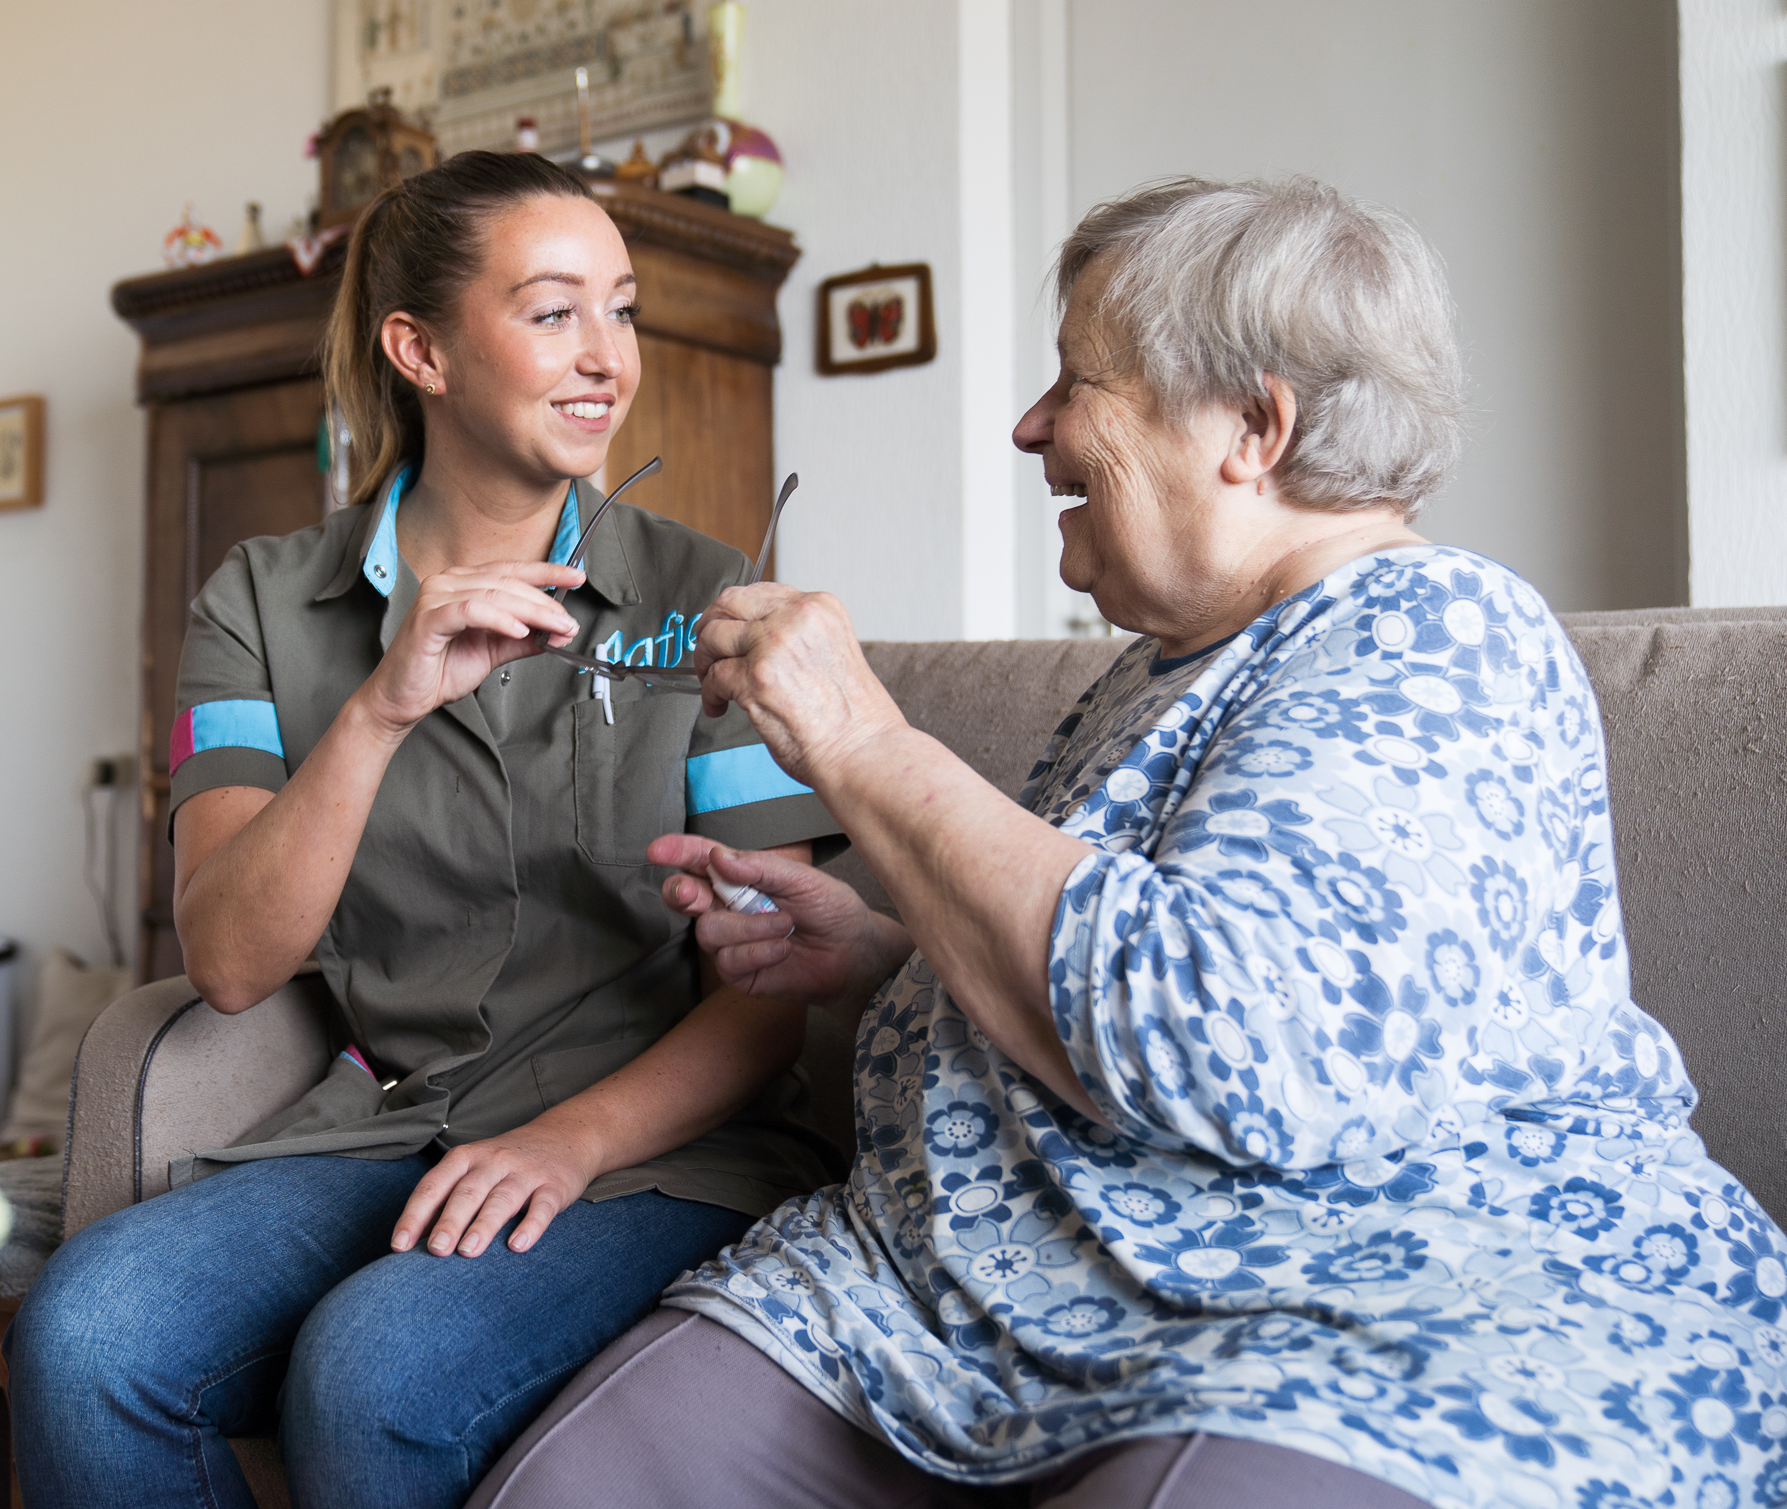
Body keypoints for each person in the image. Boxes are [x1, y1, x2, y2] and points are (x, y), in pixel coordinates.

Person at [471, 177, 1787, 1509]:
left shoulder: (1433, 635)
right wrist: (887, 956)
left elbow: (1240, 1048)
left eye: (1074, 380)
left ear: (1254, 426)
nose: (1030, 424)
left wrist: (867, 745)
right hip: (963, 1299)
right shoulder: (1160, 666)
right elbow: (1110, 951)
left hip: (1347, 1286)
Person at [7, 151, 846, 1509]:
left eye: (620, 310)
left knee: (378, 1374)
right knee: (88, 1338)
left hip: (653, 1150)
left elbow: (760, 1000)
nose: (607, 359)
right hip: (385, 1123)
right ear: (422, 349)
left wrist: (570, 1142)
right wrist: (381, 707)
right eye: (554, 310)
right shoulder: (264, 606)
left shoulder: (708, 597)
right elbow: (227, 961)